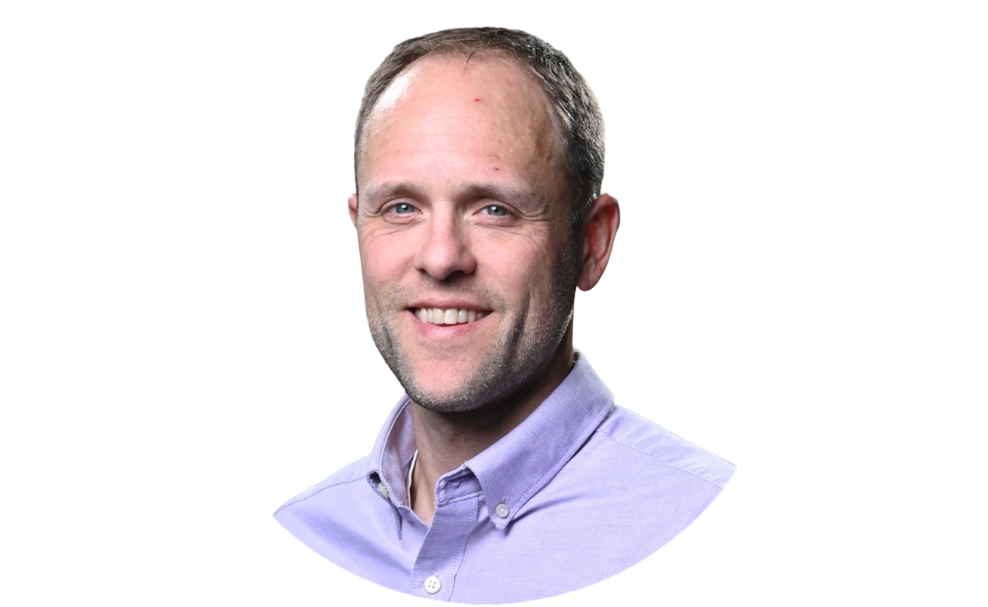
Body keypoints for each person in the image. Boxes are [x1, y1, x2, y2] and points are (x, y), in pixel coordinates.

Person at [275, 27, 735, 604]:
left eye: (495, 209)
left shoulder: (704, 527)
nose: (441, 258)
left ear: (593, 246)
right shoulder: (310, 532)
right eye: (401, 207)